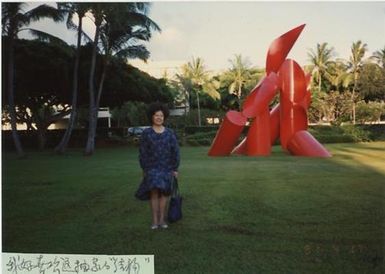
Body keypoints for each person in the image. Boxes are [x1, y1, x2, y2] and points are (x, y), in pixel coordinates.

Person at [135, 102, 180, 230]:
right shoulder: (146, 133)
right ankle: (154, 221)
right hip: (152, 169)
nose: (159, 117)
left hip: (167, 168)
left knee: (164, 194)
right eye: (156, 115)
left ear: (164, 117)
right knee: (154, 193)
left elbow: (175, 151)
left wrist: (175, 168)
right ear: (152, 117)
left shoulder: (170, 133)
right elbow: (143, 153)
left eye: (161, 115)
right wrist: (145, 168)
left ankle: (162, 220)